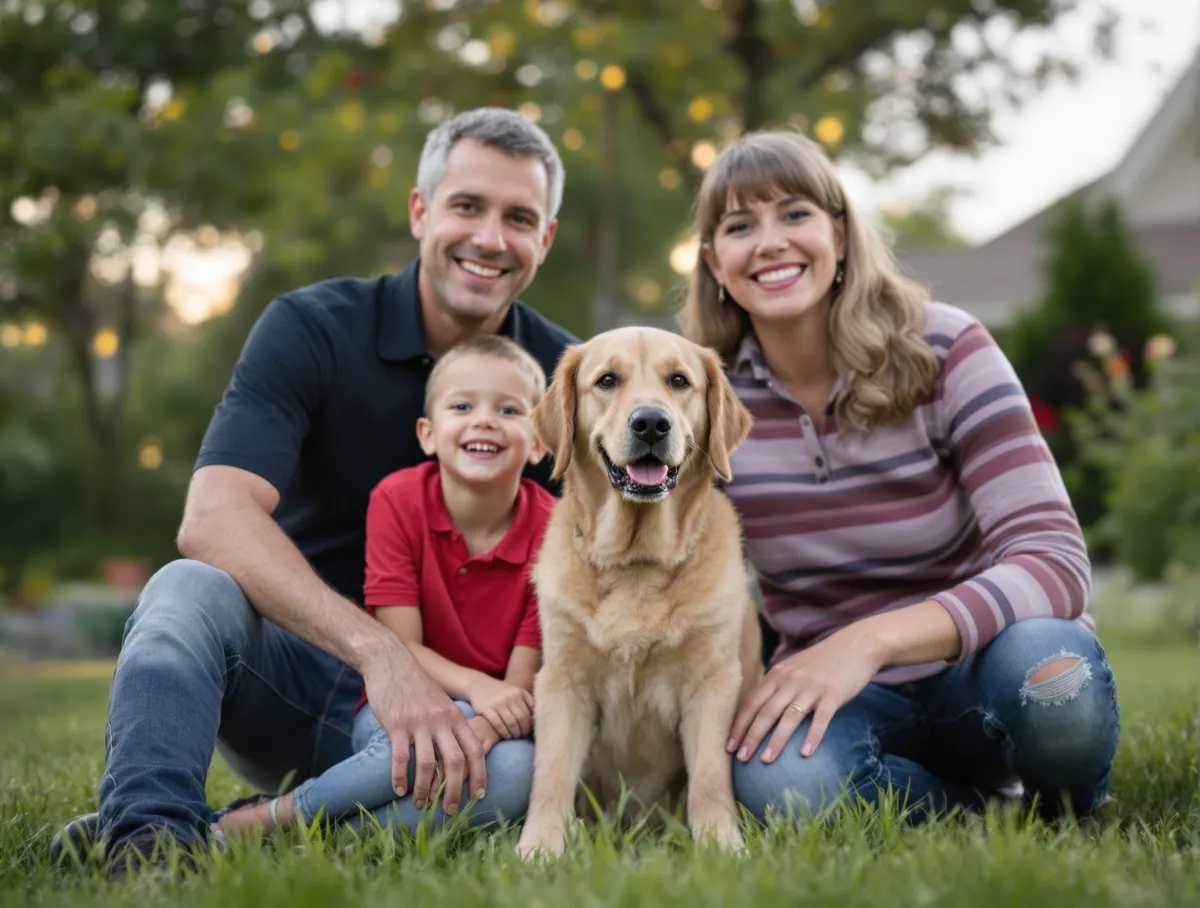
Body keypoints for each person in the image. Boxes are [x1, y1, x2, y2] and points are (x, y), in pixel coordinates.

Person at [51, 107, 577, 873]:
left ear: (547, 240)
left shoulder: (567, 378)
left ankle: (230, 834)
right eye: (468, 206)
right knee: (186, 589)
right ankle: (144, 840)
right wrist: (380, 655)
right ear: (421, 210)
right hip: (288, 674)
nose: (491, 238)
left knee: (512, 778)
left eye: (519, 218)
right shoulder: (311, 328)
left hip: (457, 717)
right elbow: (212, 517)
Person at [678, 130, 1120, 825]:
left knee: (1056, 675)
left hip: (986, 664)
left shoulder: (946, 347)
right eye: (740, 226)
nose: (769, 242)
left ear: (843, 233)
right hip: (839, 700)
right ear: (714, 261)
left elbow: (1056, 563)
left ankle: (1068, 806)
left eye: (795, 214)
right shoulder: (703, 399)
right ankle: (982, 814)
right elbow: (681, 571)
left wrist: (867, 641)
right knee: (780, 785)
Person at [214, 336, 553, 839]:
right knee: (427, 740)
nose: (484, 420)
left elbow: (520, 686)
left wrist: (479, 731)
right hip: (400, 702)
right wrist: (478, 692)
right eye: (462, 406)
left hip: (499, 729)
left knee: (519, 775)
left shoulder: (556, 527)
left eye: (509, 409)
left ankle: (288, 833)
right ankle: (271, 820)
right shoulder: (398, 500)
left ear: (540, 442)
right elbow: (403, 647)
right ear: (428, 434)